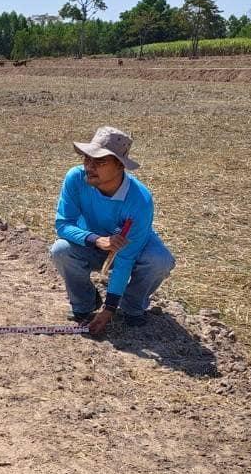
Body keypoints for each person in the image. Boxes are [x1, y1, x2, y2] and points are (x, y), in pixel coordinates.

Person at [50, 126, 175, 337]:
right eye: (87, 159)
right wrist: (96, 240)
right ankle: (85, 303)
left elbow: (126, 258)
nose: (89, 166)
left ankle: (131, 306)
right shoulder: (75, 178)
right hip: (92, 242)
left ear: (120, 166)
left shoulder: (140, 201)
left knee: (159, 260)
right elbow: (63, 225)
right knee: (60, 250)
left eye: (99, 162)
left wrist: (110, 309)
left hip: (131, 249)